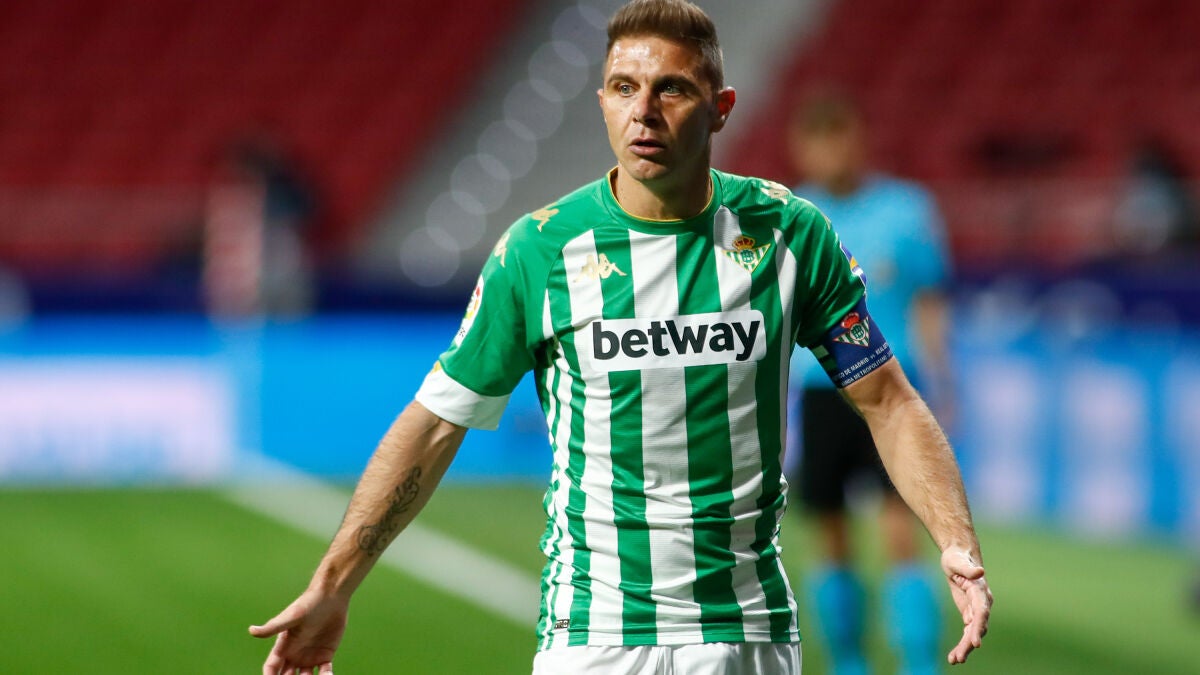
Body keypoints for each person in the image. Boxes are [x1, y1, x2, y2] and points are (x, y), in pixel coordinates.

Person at [250, 3, 992, 674]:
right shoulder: (539, 251)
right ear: (601, 100)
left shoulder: (788, 234)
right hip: (593, 638)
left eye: (671, 89)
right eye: (623, 87)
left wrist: (956, 540)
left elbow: (889, 400)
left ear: (721, 108)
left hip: (746, 634)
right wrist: (333, 582)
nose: (644, 111)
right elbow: (438, 422)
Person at [785, 93, 955, 675]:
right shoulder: (794, 213)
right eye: (819, 141)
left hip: (893, 389)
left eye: (840, 137)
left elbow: (929, 298)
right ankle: (849, 662)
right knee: (831, 534)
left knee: (902, 531)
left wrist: (943, 380)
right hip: (821, 390)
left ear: (859, 140)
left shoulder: (906, 209)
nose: (831, 152)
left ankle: (918, 662)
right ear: (802, 149)